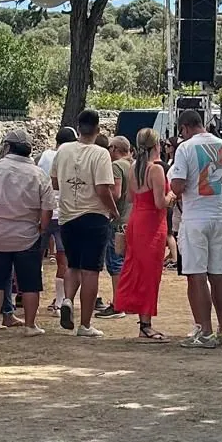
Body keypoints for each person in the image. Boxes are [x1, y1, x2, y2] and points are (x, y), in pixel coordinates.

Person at [168, 107, 222, 349]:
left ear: (185, 128)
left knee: (196, 275)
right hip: (220, 216)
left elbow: (177, 186)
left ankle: (205, 331)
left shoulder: (186, 148)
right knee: (219, 274)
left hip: (195, 218)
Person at [0, 128, 54, 337]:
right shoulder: (39, 174)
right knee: (30, 283)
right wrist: (42, 228)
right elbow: (47, 208)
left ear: (7, 147)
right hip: (27, 235)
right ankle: (30, 325)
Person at [51, 109, 120, 336]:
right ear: (98, 130)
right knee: (91, 270)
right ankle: (85, 324)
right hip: (94, 216)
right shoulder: (100, 154)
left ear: (78, 128)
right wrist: (113, 210)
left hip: (68, 216)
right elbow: (102, 188)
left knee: (73, 265)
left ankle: (68, 300)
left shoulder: (63, 151)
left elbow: (55, 182)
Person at [112, 128, 171, 340]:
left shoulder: (133, 167)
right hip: (152, 225)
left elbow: (129, 198)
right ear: (157, 145)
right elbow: (159, 202)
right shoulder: (155, 170)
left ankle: (142, 319)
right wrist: (172, 194)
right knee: (150, 273)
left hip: (136, 220)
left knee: (137, 268)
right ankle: (146, 323)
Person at [39, 125, 77, 318]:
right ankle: (60, 301)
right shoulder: (72, 157)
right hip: (64, 213)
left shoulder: (46, 155)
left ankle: (29, 297)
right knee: (64, 260)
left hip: (44, 210)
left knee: (35, 258)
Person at [99, 135, 133, 316]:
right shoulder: (133, 165)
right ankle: (128, 300)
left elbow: (116, 193)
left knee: (115, 263)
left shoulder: (116, 166)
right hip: (132, 220)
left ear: (114, 149)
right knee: (126, 263)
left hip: (118, 221)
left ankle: (118, 304)